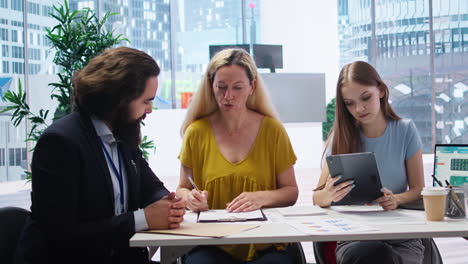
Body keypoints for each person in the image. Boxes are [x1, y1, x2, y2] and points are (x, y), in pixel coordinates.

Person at [15, 47, 186, 264]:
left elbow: (150, 187)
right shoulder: (60, 143)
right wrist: (143, 219)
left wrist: (169, 203)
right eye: (146, 101)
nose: (150, 109)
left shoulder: (123, 133)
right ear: (120, 99)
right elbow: (62, 234)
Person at [176, 48, 299, 264]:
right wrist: (190, 200)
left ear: (252, 87)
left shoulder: (272, 130)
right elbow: (183, 188)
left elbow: (291, 192)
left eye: (237, 88)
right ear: (211, 86)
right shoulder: (196, 132)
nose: (228, 96)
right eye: (221, 87)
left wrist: (262, 197)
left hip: (265, 240)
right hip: (211, 240)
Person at [313, 61, 425, 264]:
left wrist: (397, 199)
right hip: (356, 238)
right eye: (350, 103)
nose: (359, 108)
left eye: (366, 98)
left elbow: (418, 189)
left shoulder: (405, 130)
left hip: (401, 236)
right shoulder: (342, 137)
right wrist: (329, 195)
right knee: (370, 254)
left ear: (381, 90)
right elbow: (317, 198)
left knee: (385, 257)